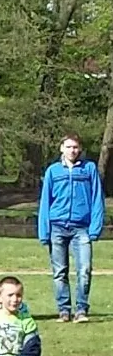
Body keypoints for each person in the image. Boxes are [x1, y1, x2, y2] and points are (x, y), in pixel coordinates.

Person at [37, 133, 104, 323]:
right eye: (68, 147)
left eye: (75, 147)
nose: (72, 150)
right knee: (60, 272)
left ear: (80, 149)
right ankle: (64, 310)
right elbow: (45, 202)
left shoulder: (89, 169)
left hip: (81, 228)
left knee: (84, 270)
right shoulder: (53, 171)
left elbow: (97, 199)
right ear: (61, 148)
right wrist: (44, 232)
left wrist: (95, 228)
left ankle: (81, 309)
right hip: (57, 227)